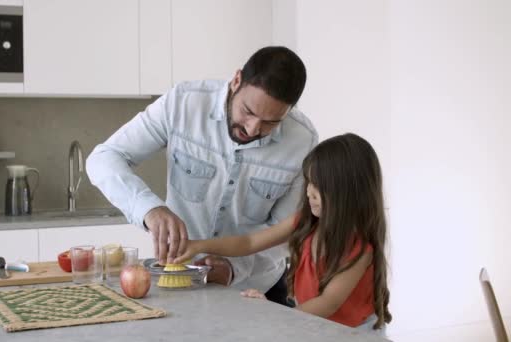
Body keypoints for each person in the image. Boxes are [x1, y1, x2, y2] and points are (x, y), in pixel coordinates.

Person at [86, 46, 318, 305]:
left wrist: (233, 268)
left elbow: (284, 232)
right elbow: (104, 158)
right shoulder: (183, 104)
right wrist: (149, 209)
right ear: (236, 80)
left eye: (271, 122)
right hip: (182, 283)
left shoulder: (303, 142)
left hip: (257, 290)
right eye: (248, 112)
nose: (253, 129)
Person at [173, 133, 392, 332]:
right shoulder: (306, 222)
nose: (308, 192)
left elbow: (328, 303)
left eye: (318, 186)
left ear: (346, 194)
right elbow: (250, 242)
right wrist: (198, 245)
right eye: (309, 182)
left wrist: (276, 316)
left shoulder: (360, 250)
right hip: (314, 325)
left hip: (353, 333)